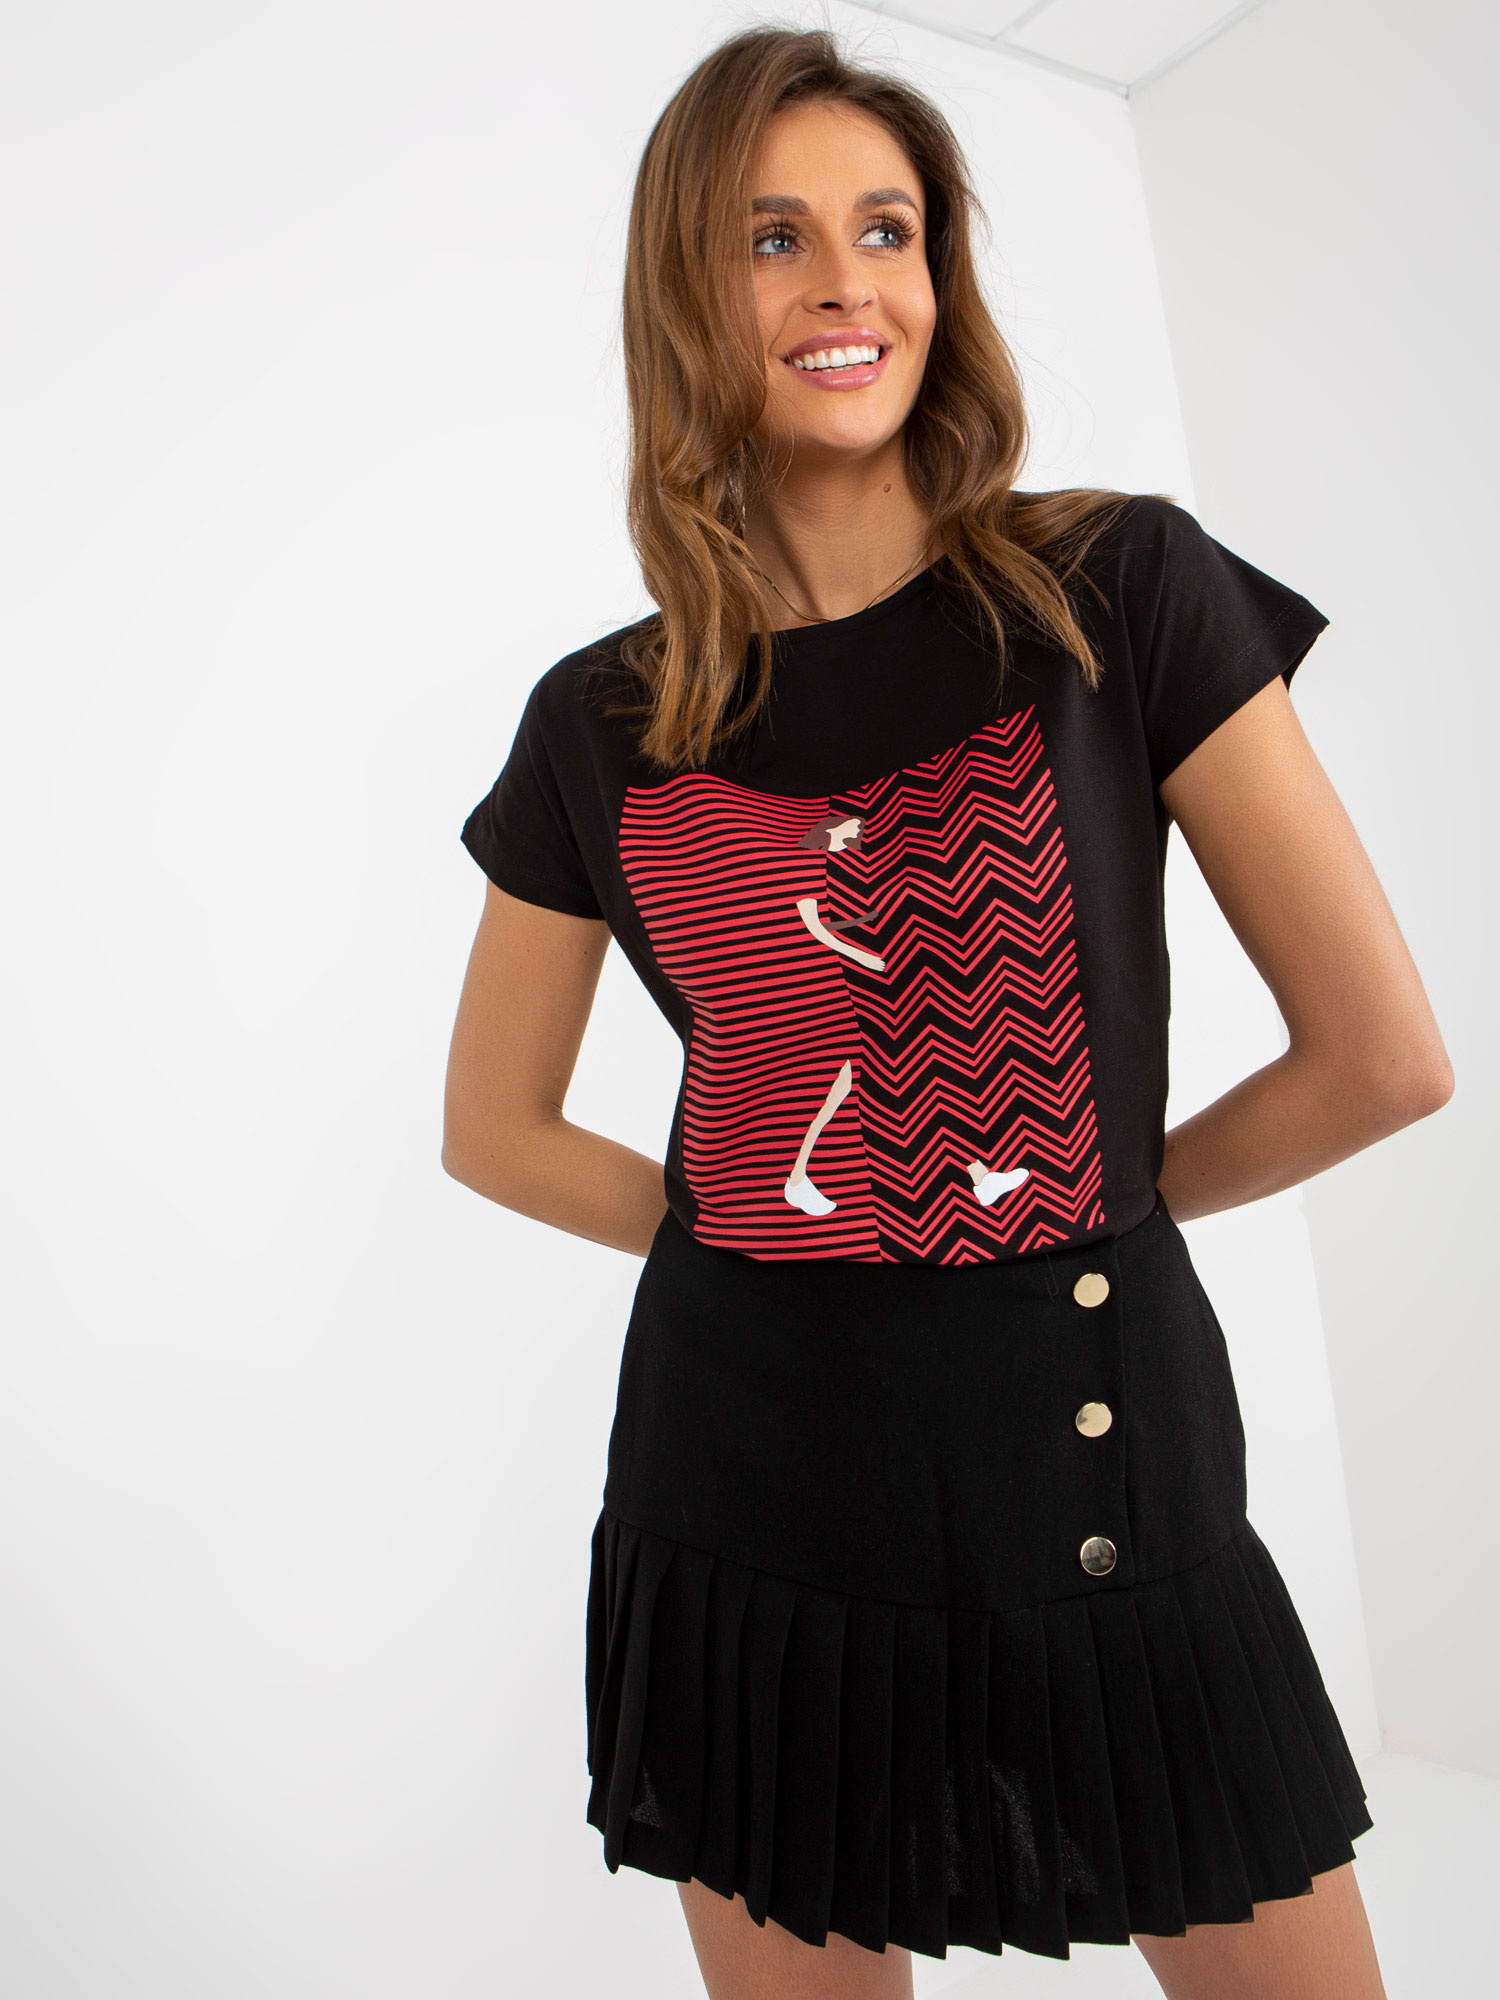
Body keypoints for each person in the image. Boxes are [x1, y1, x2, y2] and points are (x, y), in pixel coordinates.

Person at [443, 25, 1448, 2000]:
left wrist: (1079, 1200)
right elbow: (492, 1128)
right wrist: (776, 1225)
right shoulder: (597, 719)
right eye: (775, 237)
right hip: (743, 1502)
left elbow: (1383, 1057)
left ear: (940, 272)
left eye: (887, 229)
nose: (846, 283)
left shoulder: (1118, 589)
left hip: (1098, 1470)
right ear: (685, 294)